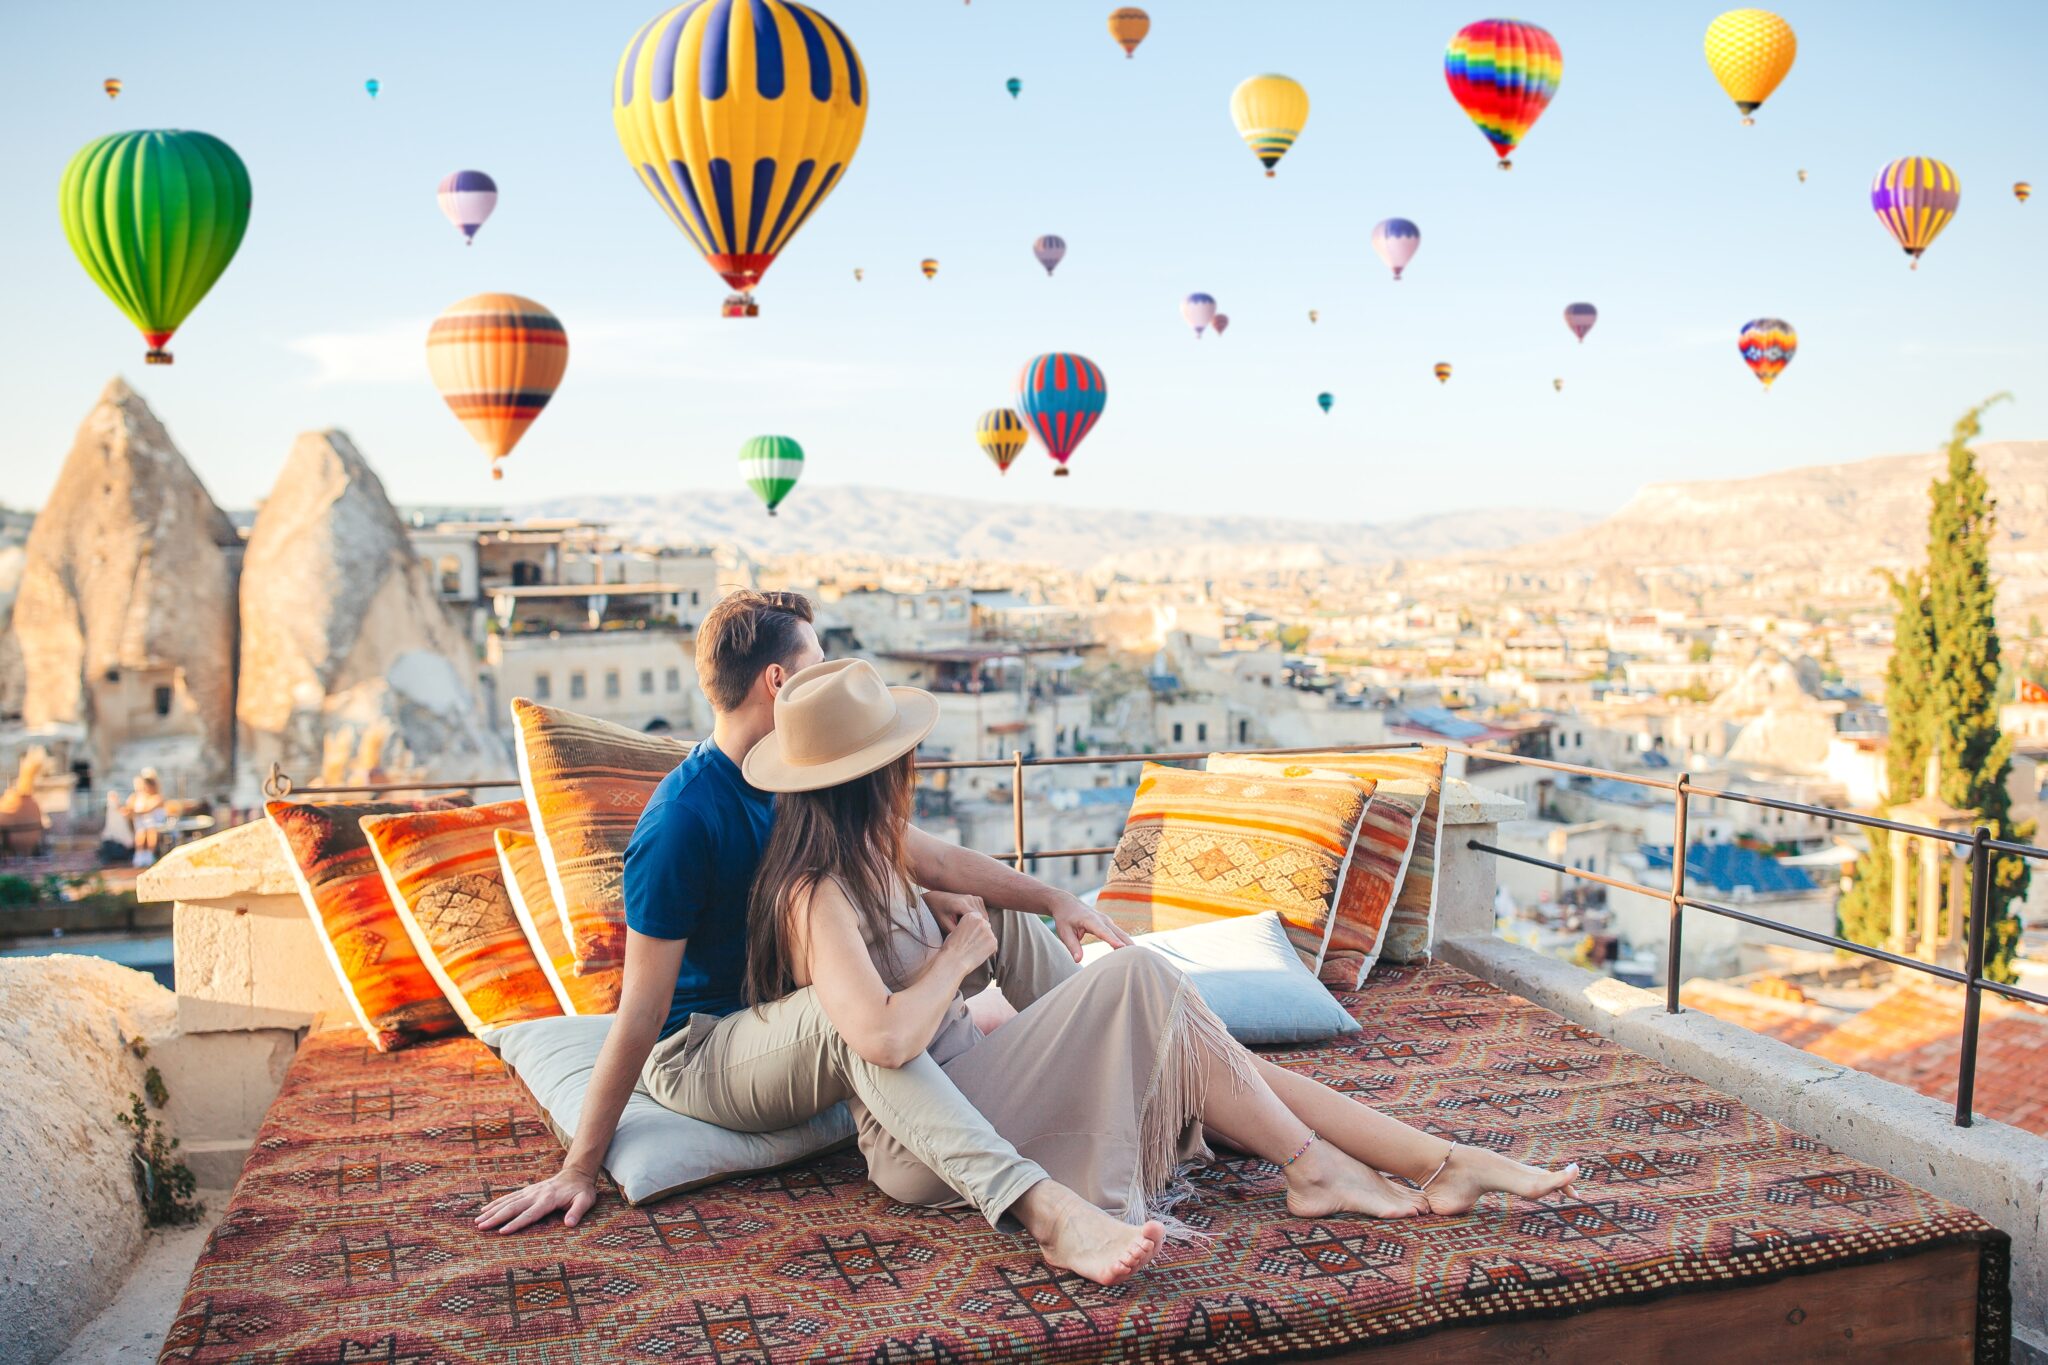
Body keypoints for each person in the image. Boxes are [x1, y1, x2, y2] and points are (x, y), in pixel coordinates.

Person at [737, 658, 1581, 1266]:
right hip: (932, 1140)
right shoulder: (816, 894)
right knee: (1143, 981)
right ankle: (1323, 1163)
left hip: (983, 1075)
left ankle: (1429, 1159)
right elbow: (882, 1040)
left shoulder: (875, 842)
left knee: (1191, 1039)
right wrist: (958, 955)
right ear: (877, 772)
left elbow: (961, 868)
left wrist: (1057, 901)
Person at [479, 591, 1165, 1285]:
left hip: (792, 1015)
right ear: (779, 681)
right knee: (851, 1021)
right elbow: (643, 1012)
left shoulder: (799, 774)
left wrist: (1055, 896)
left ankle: (1155, 1074)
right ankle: (1045, 1210)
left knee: (983, 913)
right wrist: (579, 1166)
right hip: (706, 1047)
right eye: (818, 660)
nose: (829, 671)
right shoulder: (682, 821)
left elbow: (934, 857)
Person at [123, 770, 168, 866]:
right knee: (142, 831)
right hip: (142, 824)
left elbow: (148, 810)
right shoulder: (136, 797)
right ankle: (140, 854)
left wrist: (135, 812)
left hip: (155, 824)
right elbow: (129, 808)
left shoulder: (157, 797)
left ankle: (149, 854)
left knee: (150, 829)